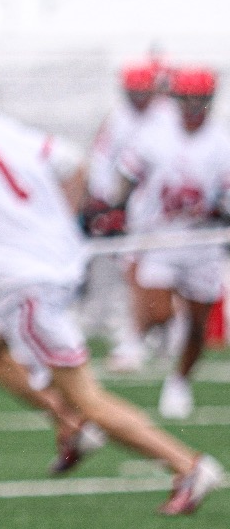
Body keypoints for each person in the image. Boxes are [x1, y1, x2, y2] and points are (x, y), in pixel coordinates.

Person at [0, 60, 221, 514]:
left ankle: (188, 466)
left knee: (88, 397)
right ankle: (70, 422)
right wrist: (59, 228)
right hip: (57, 264)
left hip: (25, 283)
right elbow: (73, 164)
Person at [110, 66, 228, 421]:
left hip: (203, 241)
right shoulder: (154, 134)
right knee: (157, 309)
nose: (193, 106)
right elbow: (126, 176)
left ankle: (179, 381)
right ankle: (144, 338)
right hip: (159, 236)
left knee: (196, 326)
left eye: (200, 99)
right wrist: (114, 208)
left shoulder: (222, 142)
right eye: (187, 98)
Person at [89, 60, 173, 372]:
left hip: (171, 213)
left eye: (142, 91)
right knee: (137, 275)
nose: (138, 98)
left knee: (169, 282)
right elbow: (103, 161)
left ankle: (162, 334)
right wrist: (108, 203)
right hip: (139, 213)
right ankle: (135, 338)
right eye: (133, 92)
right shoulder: (119, 119)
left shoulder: (167, 117)